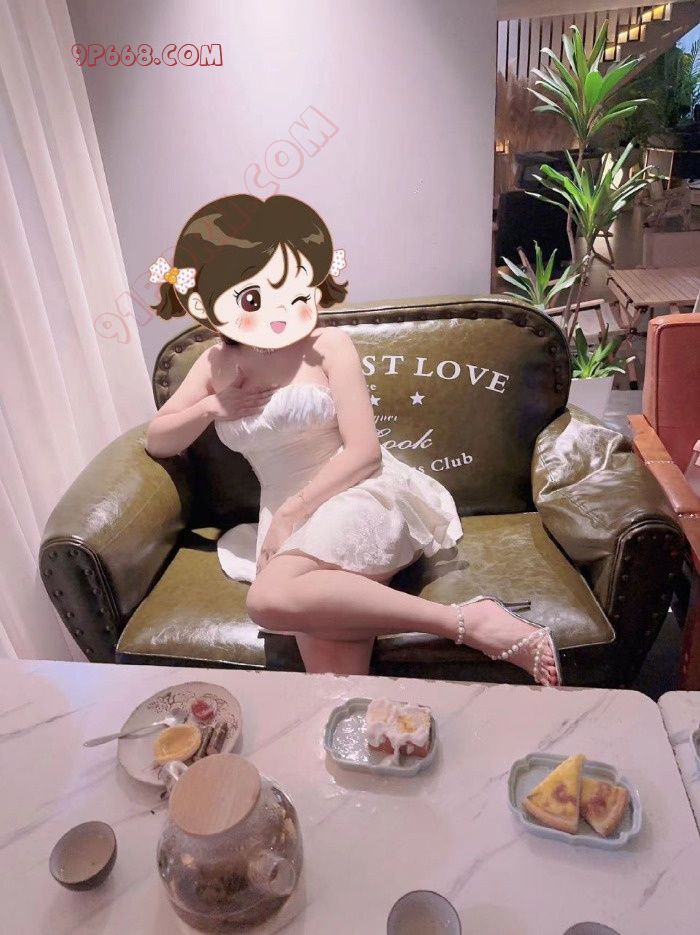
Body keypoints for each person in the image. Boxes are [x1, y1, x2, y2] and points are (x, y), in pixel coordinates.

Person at [145, 194, 561, 684]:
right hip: (282, 509)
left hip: (356, 491)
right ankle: (382, 715)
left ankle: (467, 622)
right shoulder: (213, 363)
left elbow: (364, 453)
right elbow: (159, 440)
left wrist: (292, 514)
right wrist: (213, 407)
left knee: (268, 599)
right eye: (255, 295)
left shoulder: (327, 346)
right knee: (338, 687)